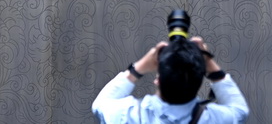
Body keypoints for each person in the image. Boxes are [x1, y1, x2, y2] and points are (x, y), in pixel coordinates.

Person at [92, 35, 249, 123]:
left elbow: (100, 105)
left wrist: (137, 68)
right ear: (199, 81)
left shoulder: (128, 115)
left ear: (157, 80)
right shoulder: (214, 119)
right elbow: (240, 110)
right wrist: (210, 64)